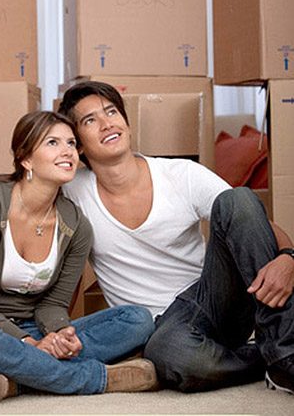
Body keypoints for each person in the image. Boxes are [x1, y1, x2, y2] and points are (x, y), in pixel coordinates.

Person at [59, 80, 294, 395]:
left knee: (236, 199)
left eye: (112, 111)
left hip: (212, 300)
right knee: (173, 357)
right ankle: (260, 359)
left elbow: (251, 220)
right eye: (90, 120)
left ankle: (285, 356)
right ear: (78, 144)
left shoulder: (180, 174)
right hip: (159, 330)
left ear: (126, 124)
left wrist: (289, 257)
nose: (106, 123)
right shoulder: (73, 192)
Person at [0, 110, 157, 403]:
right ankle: (96, 378)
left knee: (137, 320)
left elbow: (54, 304)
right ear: (26, 159)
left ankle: (16, 379)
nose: (68, 151)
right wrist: (28, 343)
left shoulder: (76, 225)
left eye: (71, 143)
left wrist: (60, 333)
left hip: (33, 327)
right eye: (53, 143)